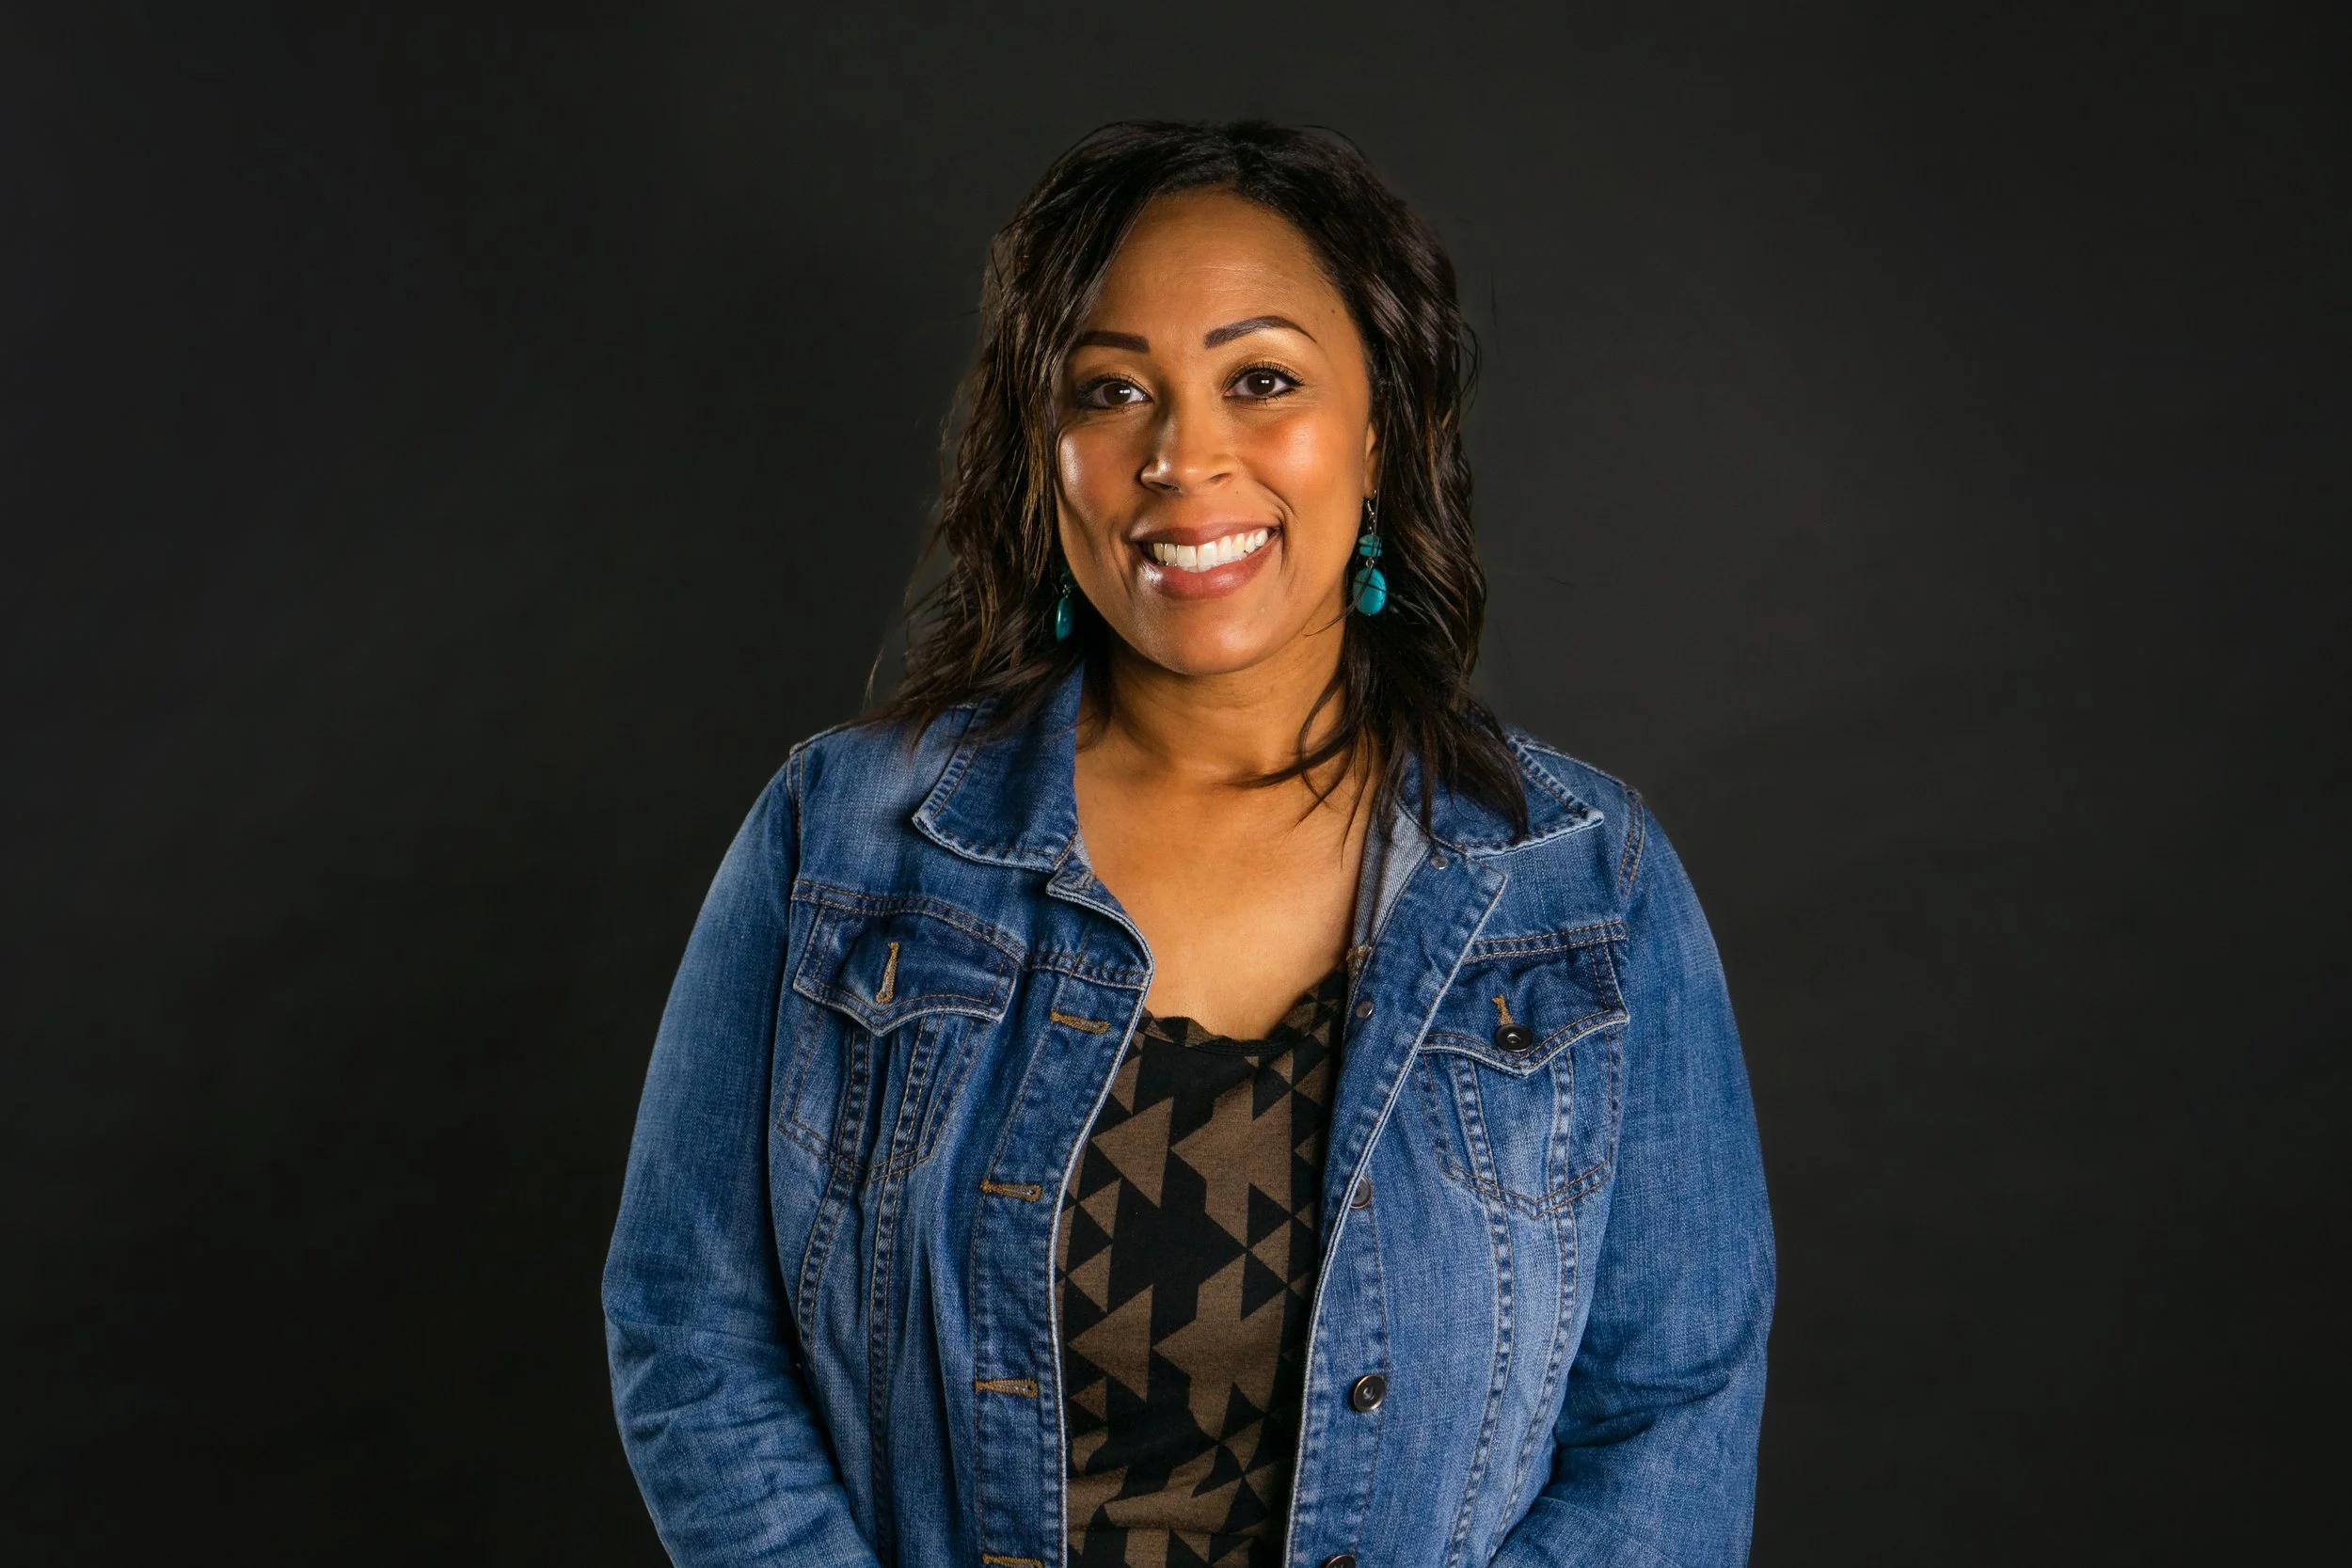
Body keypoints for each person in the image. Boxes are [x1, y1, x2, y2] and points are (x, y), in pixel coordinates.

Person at [603, 120, 1773, 1568]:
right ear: (1050, 451)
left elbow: (1669, 1420)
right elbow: (690, 1322)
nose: (1181, 455)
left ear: (1384, 426)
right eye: (1112, 390)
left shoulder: (1586, 885)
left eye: (1260, 379)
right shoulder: (842, 840)